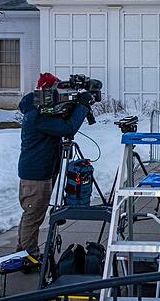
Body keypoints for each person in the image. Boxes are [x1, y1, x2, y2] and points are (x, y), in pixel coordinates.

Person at [16, 72, 94, 258]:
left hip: (41, 169)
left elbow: (61, 121)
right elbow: (67, 128)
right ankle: (28, 256)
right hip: (36, 174)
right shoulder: (37, 115)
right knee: (33, 215)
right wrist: (82, 106)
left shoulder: (40, 110)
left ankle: (23, 252)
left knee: (32, 214)